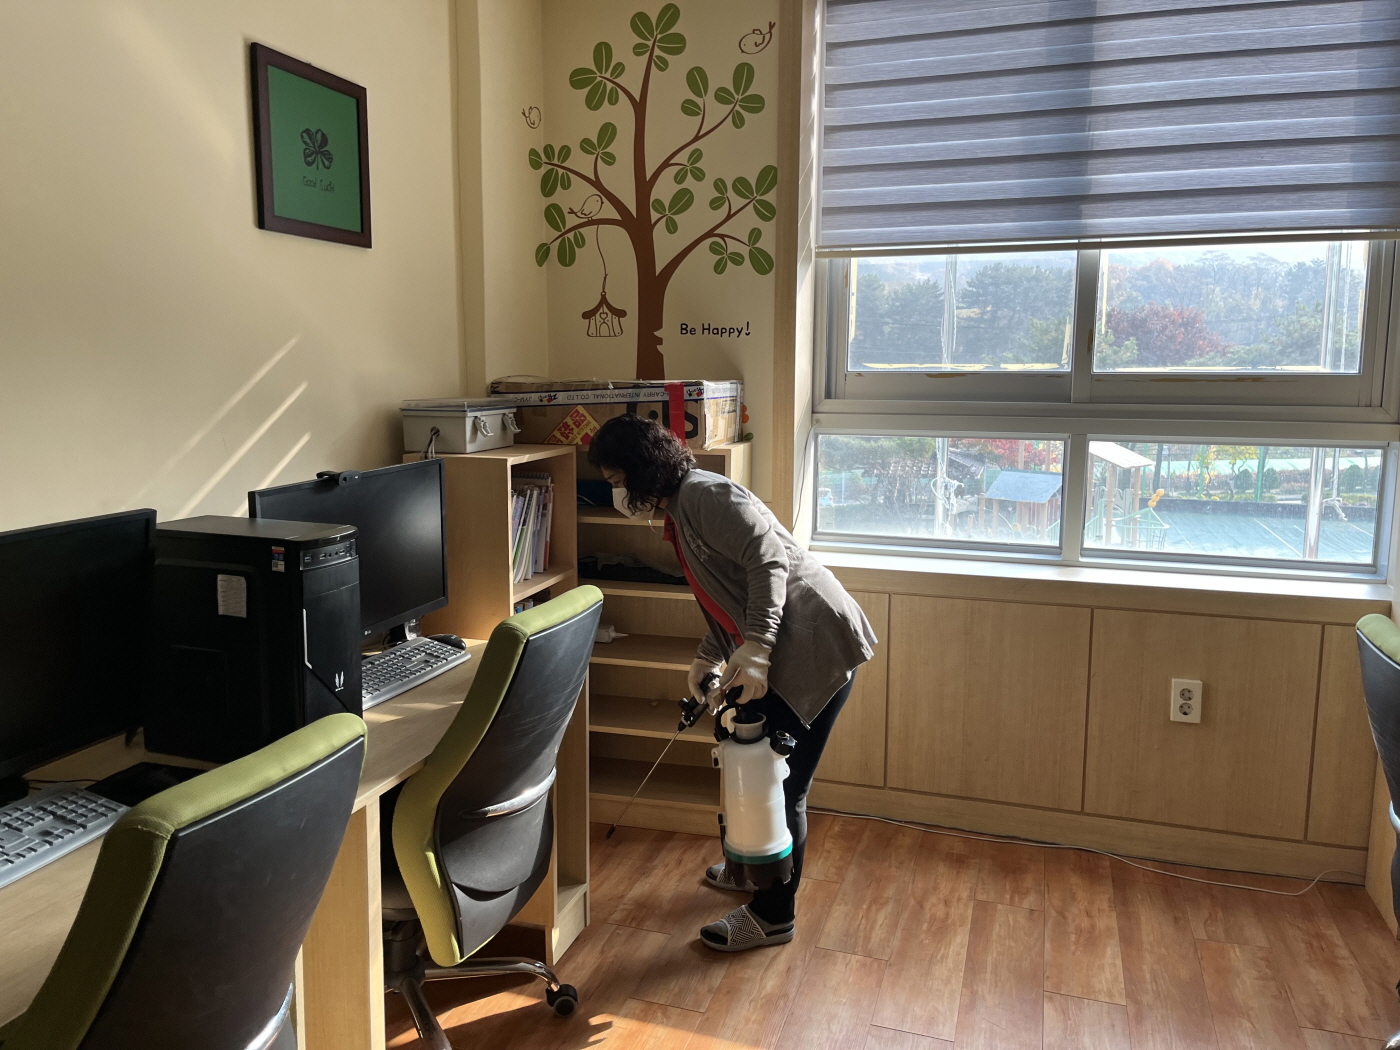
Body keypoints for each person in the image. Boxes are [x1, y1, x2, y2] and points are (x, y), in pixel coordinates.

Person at [587, 414, 877, 951]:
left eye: (619, 480)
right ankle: (750, 869)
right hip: (790, 643)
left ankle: (773, 915)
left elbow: (768, 564)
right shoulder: (680, 509)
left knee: (778, 784)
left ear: (643, 470)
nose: (619, 493)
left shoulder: (705, 496)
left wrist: (759, 649)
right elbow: (729, 592)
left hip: (816, 644)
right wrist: (711, 657)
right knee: (752, 764)